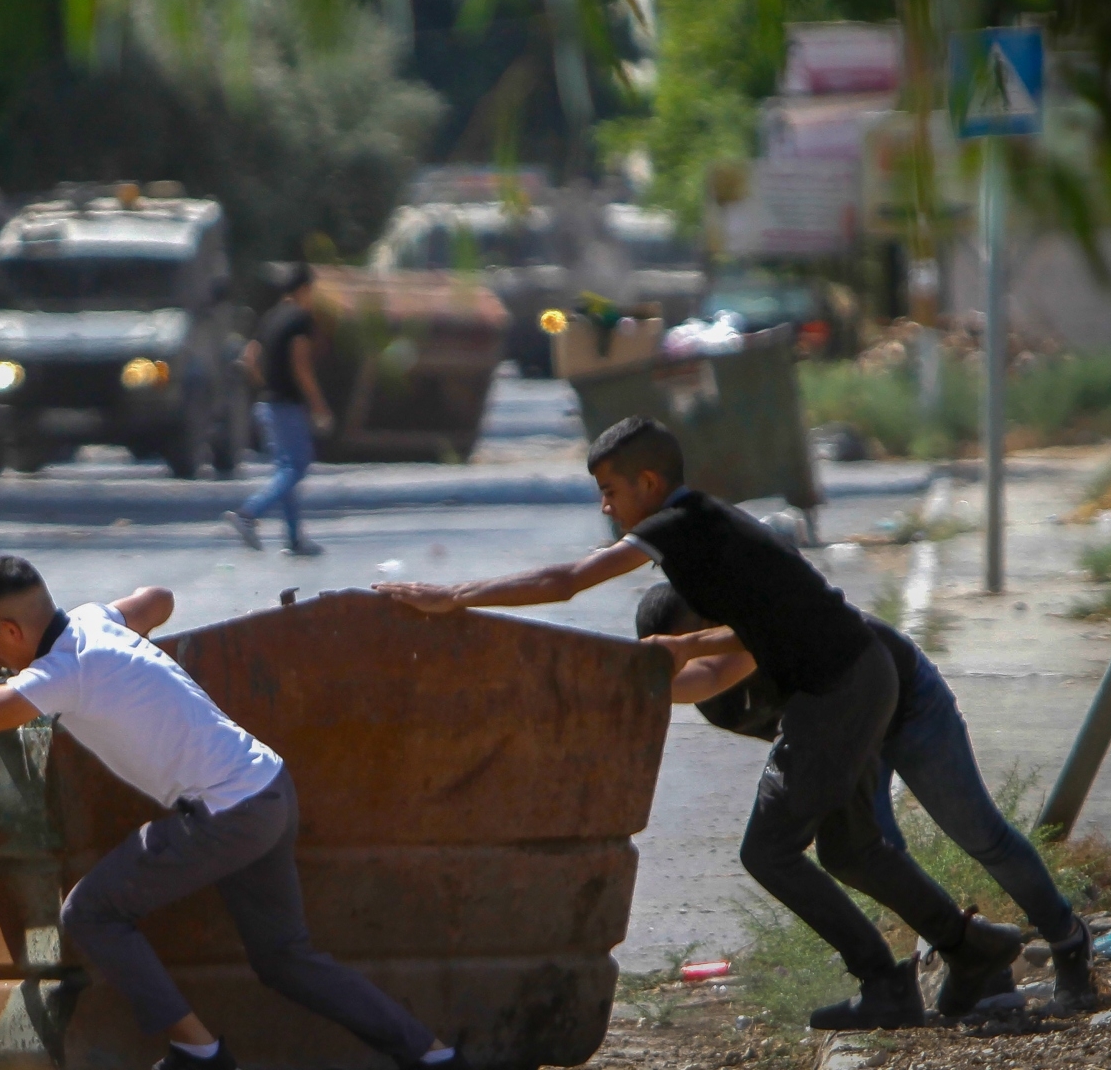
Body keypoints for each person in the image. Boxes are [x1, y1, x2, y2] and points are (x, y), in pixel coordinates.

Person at [373, 416, 1009, 1031]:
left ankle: (885, 984)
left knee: (770, 852)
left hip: (837, 690)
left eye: (610, 491)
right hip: (853, 679)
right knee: (850, 851)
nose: (605, 508)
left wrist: (454, 597)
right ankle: (969, 947)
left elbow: (567, 580)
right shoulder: (711, 526)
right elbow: (765, 629)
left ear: (649, 484)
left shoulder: (678, 525)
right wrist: (671, 657)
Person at [0, 555, 460, 1070]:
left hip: (226, 813)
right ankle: (432, 1054)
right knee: (285, 958)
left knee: (91, 914)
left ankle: (201, 1053)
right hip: (269, 787)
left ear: (10, 628)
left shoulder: (63, 675)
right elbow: (159, 599)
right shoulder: (95, 621)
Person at [635, 583, 1100, 1015]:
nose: (691, 656)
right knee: (865, 852)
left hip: (908, 704)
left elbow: (716, 671)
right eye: (673, 651)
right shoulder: (716, 702)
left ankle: (1068, 941)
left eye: (697, 639)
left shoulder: (757, 640)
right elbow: (792, 732)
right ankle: (980, 964)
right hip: (846, 731)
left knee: (981, 835)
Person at [224, 262, 331, 557]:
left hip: (268, 404)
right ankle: (249, 513)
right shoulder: (300, 319)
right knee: (297, 466)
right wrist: (318, 405)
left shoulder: (270, 317)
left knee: (286, 470)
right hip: (288, 406)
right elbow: (301, 365)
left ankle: (295, 538)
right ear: (304, 289)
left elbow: (250, 357)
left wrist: (266, 383)